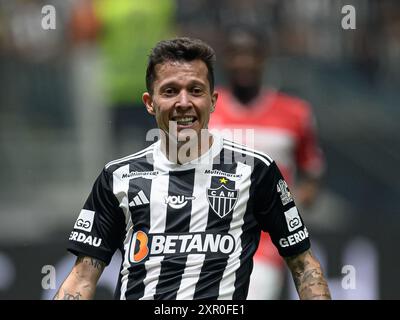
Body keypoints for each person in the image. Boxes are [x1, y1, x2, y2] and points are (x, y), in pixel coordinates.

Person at [54, 37, 330, 300]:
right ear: (150, 103)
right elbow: (82, 277)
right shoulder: (118, 177)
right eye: (170, 91)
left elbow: (303, 264)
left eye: (195, 91)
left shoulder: (256, 171)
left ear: (212, 101)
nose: (183, 103)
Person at [209, 27, 325, 299]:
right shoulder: (205, 111)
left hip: (264, 244)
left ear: (263, 58)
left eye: (251, 54)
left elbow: (312, 170)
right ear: (225, 59)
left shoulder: (295, 113)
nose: (243, 62)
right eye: (236, 54)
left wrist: (294, 201)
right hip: (208, 237)